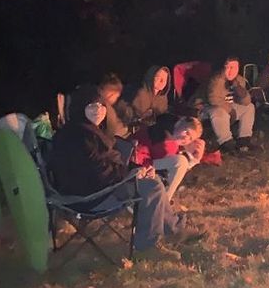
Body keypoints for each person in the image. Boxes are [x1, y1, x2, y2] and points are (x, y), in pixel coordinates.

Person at [47, 86, 186, 256]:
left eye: (101, 105)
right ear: (80, 108)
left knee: (152, 180)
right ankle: (148, 246)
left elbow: (106, 164)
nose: (98, 110)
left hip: (98, 186)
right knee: (152, 187)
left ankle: (172, 227)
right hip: (89, 196)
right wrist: (131, 175)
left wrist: (137, 169)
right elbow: (96, 172)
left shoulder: (88, 130)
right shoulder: (79, 136)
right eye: (91, 106)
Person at [133, 115, 206, 202]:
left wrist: (193, 160)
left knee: (181, 162)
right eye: (186, 132)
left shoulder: (173, 141)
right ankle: (164, 202)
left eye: (190, 138)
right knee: (181, 161)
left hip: (150, 169)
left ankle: (163, 202)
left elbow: (174, 172)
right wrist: (147, 166)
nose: (185, 138)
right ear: (179, 123)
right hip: (137, 167)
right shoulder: (158, 132)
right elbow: (137, 151)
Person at [200, 57, 255, 154]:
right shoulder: (216, 79)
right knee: (219, 111)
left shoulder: (239, 79)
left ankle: (244, 140)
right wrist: (231, 111)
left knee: (249, 107)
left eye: (234, 67)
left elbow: (246, 101)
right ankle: (226, 142)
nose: (231, 71)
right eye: (228, 67)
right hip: (205, 107)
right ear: (223, 68)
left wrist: (238, 88)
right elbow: (213, 100)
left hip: (228, 106)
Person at [98, 73, 133, 140]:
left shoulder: (119, 107)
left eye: (116, 96)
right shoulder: (97, 107)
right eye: (110, 95)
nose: (113, 98)